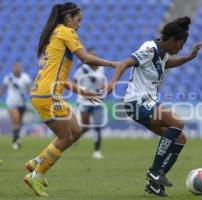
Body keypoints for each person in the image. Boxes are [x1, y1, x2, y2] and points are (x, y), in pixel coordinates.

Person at [23, 2, 117, 197]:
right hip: (47, 95)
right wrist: (113, 63)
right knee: (66, 137)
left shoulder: (53, 35)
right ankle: (36, 174)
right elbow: (86, 58)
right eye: (78, 19)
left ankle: (36, 163)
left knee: (75, 131)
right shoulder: (66, 32)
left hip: (45, 93)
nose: (79, 24)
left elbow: (62, 80)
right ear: (68, 18)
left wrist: (85, 93)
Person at [105, 16, 202, 197]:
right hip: (136, 100)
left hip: (146, 102)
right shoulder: (150, 48)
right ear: (172, 40)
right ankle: (155, 170)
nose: (180, 49)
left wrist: (188, 57)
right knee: (177, 122)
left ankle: (155, 184)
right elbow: (125, 62)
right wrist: (112, 83)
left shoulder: (164, 53)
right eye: (180, 45)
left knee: (180, 138)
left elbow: (168, 64)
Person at [73, 47, 106, 159]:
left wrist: (102, 90)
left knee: (97, 125)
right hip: (84, 101)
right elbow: (74, 82)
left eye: (95, 55)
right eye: (91, 55)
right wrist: (81, 90)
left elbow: (102, 83)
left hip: (97, 101)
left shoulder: (101, 69)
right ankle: (75, 137)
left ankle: (97, 151)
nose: (93, 57)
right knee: (86, 127)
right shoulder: (82, 69)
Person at [0, 63, 32, 150]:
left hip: (22, 103)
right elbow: (3, 89)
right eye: (15, 68)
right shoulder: (9, 78)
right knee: (16, 120)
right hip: (11, 103)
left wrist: (31, 99)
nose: (16, 69)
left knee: (19, 123)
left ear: (20, 68)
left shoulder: (25, 78)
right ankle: (15, 141)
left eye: (17, 68)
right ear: (13, 69)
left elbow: (29, 90)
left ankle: (16, 138)